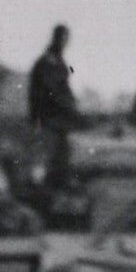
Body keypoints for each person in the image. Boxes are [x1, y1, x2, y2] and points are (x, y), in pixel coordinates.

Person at [28, 24, 84, 189]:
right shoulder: (48, 62)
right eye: (62, 38)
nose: (64, 42)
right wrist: (70, 107)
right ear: (55, 39)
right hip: (49, 117)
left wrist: (72, 104)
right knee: (52, 155)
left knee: (61, 154)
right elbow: (51, 91)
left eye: (66, 39)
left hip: (55, 117)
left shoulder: (57, 61)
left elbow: (63, 88)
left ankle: (56, 184)